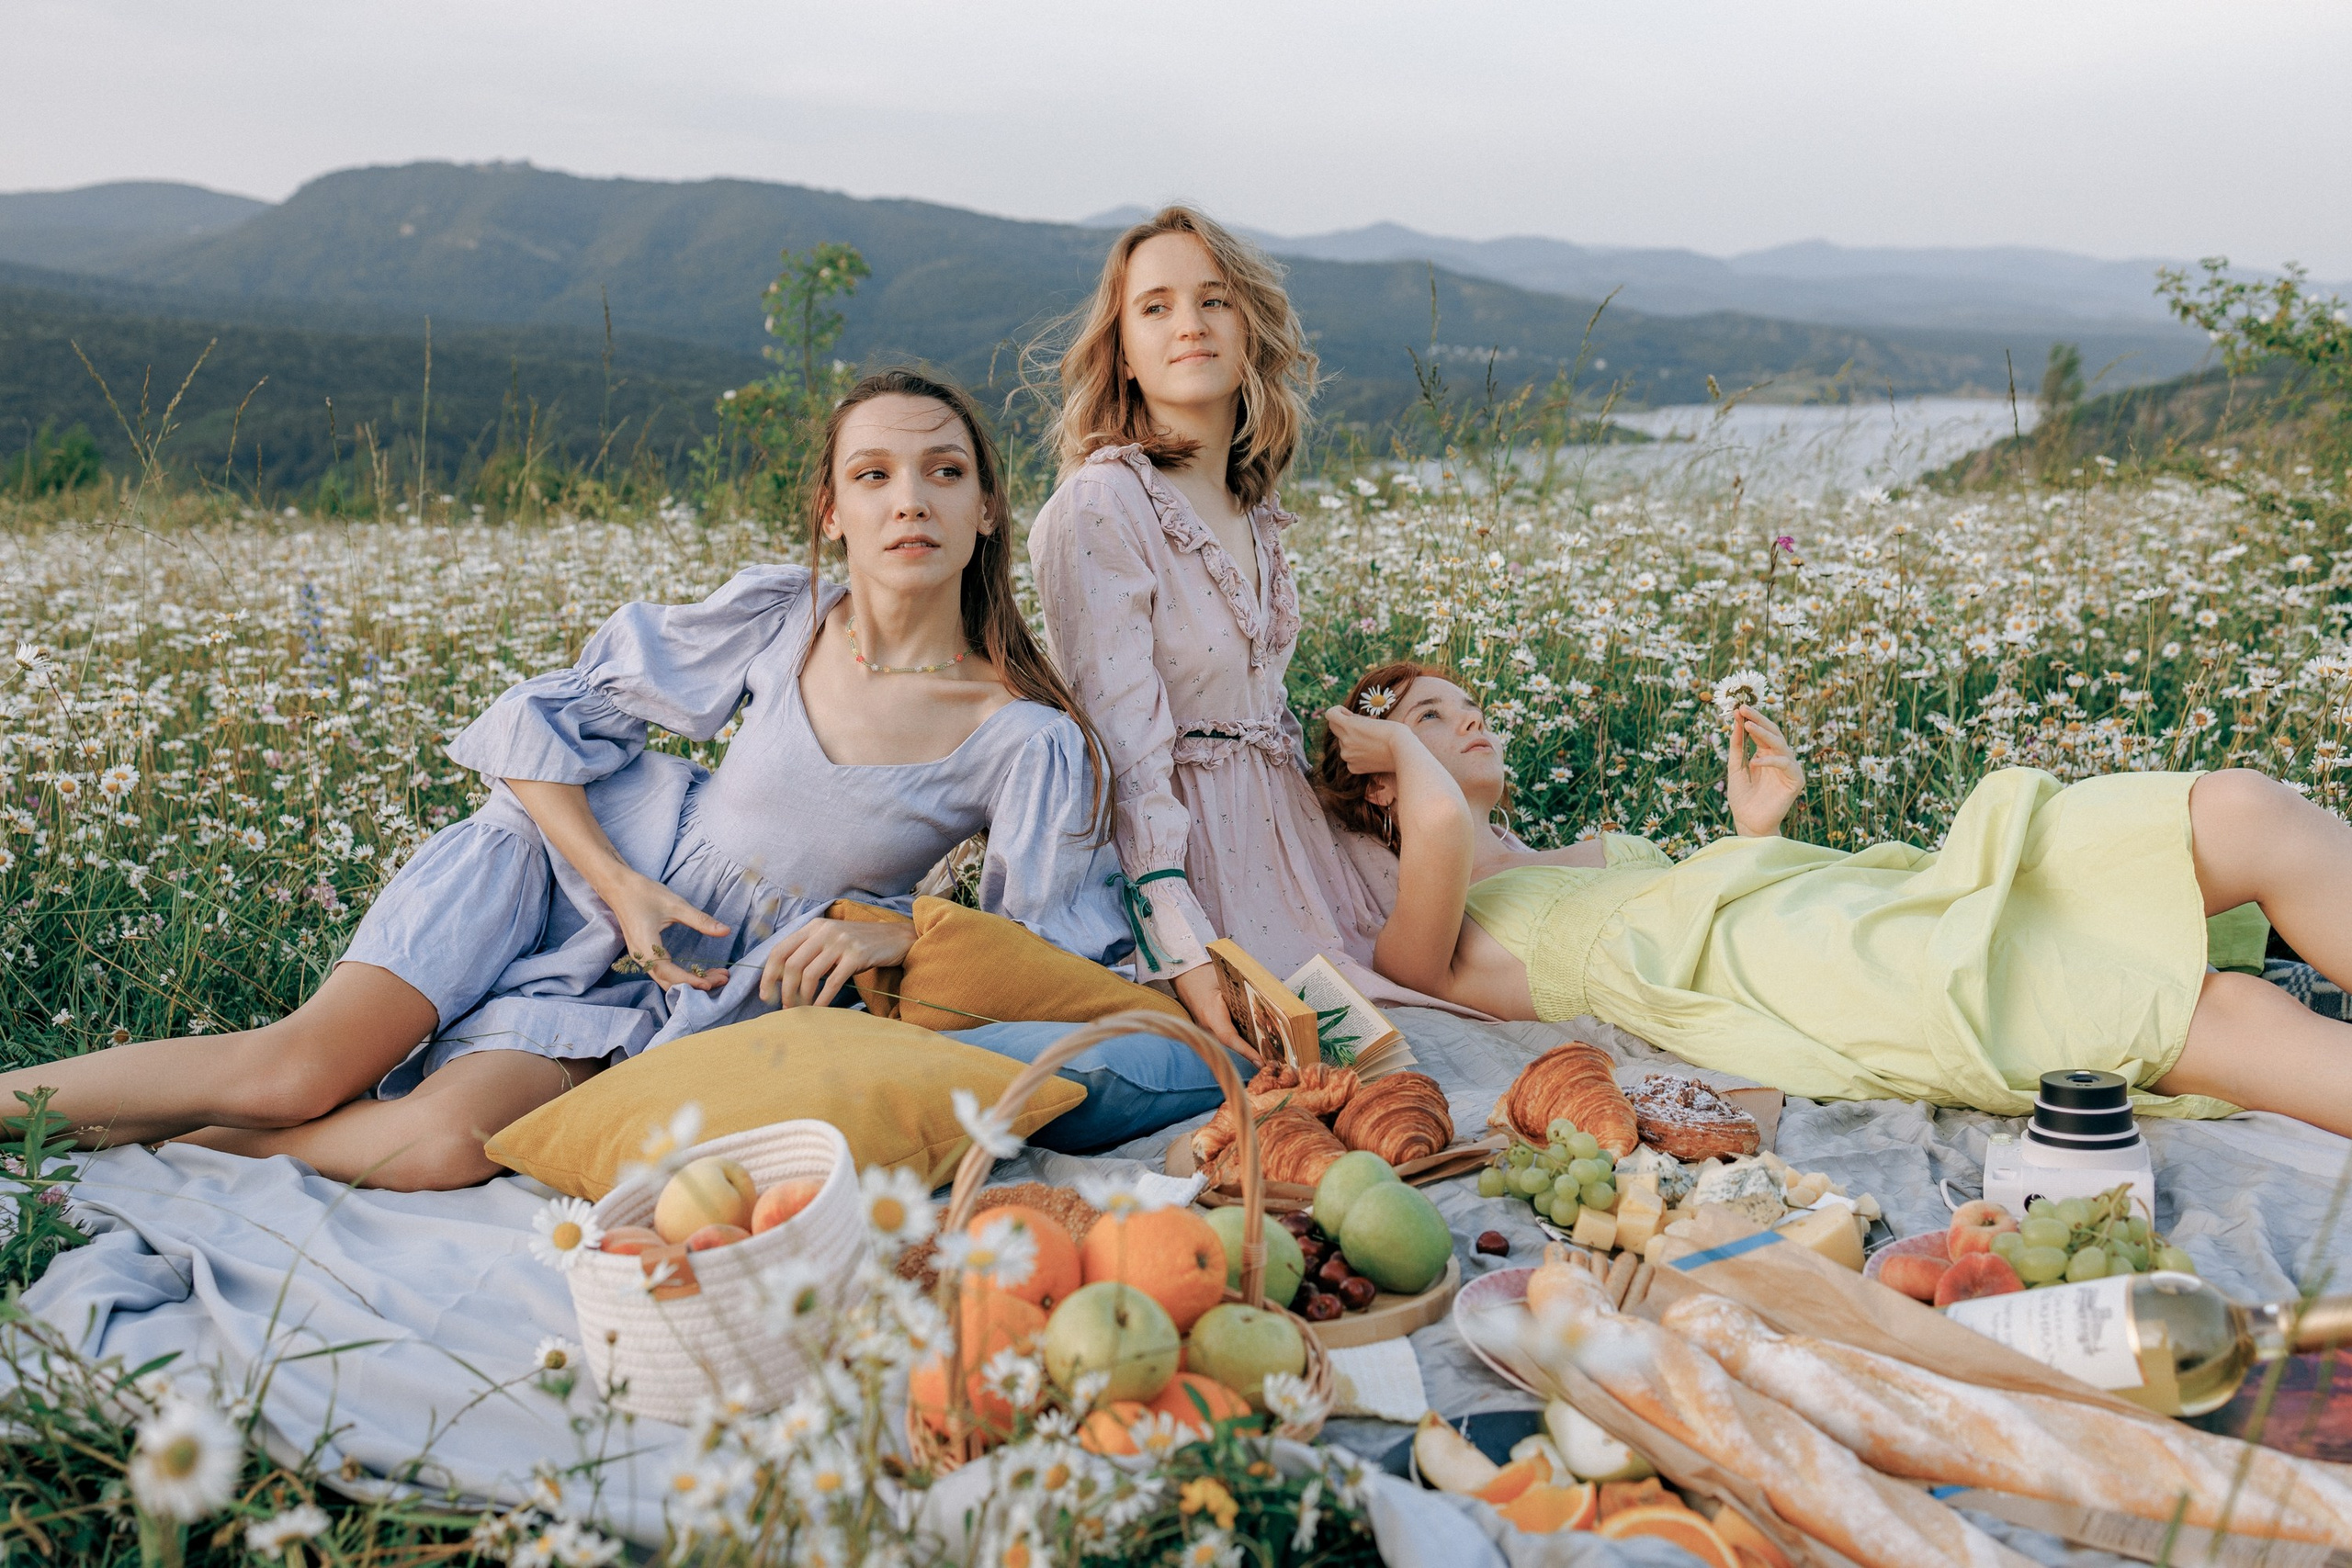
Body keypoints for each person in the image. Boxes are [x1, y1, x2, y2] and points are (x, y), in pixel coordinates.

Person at [0, 370, 1215, 1188]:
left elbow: (1043, 947)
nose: (911, 499)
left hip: (683, 989)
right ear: (831, 510)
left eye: (946, 472)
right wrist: (617, 885)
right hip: (562, 874)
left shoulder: (1022, 734)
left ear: (992, 507)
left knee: (440, 1141)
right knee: (293, 1070)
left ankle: (124, 1147)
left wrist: (891, 931)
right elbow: (541, 723)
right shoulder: (781, 616)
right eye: (875, 475)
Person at [1318, 659, 2352, 1134]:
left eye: (1463, 708)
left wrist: (1755, 835)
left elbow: (1710, 908)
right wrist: (1400, 749)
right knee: (2216, 1011)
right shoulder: (1432, 930)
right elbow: (1445, 829)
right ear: (1380, 781)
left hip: (1851, 909)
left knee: (2239, 810)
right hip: (1830, 978)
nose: (1468, 723)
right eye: (1429, 720)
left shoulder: (1589, 849)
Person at [1028, 205, 1454, 1055]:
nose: (1189, 324)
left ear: (1249, 329)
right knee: (1335, 1063)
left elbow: (1258, 712)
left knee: (1460, 973)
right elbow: (1123, 751)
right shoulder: (1104, 503)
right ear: (1121, 350)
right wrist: (1179, 936)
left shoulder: (1249, 508)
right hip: (1191, 864)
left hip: (1288, 843)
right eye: (1155, 307)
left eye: (1214, 300)